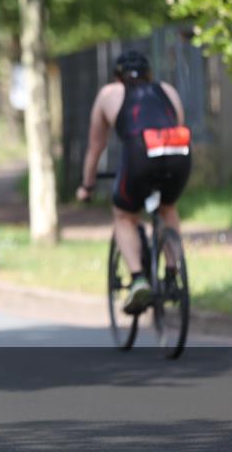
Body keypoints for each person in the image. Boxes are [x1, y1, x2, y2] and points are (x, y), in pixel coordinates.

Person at [76, 50, 191, 313]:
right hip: (177, 151)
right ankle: (173, 272)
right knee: (168, 207)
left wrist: (88, 185)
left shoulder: (109, 94)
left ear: (118, 76)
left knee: (124, 215)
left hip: (140, 153)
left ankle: (139, 279)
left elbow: (96, 146)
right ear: (149, 74)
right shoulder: (167, 90)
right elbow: (177, 124)